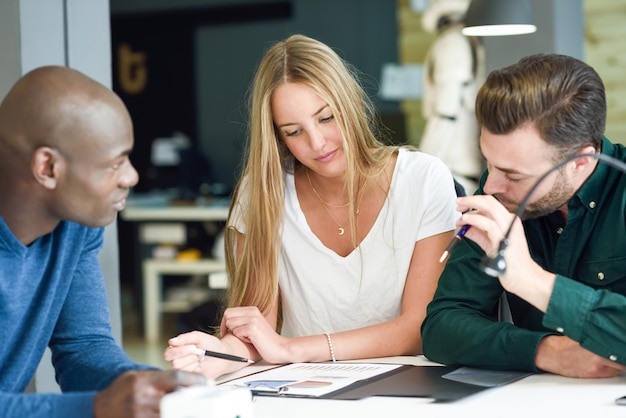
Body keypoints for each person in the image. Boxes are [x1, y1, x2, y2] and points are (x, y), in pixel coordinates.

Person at [164, 34, 458, 379]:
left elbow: (419, 328)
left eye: (326, 117)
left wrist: (291, 349)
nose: (317, 143)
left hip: (410, 384)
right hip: (305, 388)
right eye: (293, 131)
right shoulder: (262, 192)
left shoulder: (423, 179)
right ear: (277, 136)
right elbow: (256, 331)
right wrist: (217, 353)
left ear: (349, 104)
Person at [0, 66, 205, 418]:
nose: (132, 176)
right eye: (115, 163)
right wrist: (99, 406)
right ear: (47, 167)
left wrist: (150, 387)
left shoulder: (74, 226)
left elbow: (83, 347)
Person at [421, 53, 626, 378]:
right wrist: (543, 351)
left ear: (580, 163)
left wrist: (531, 281)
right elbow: (442, 326)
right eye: (487, 161)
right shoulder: (499, 200)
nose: (489, 186)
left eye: (513, 175)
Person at [419, 0, 485, 194]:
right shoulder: (466, 41)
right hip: (458, 168)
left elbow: (446, 112)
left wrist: (422, 164)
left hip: (451, 168)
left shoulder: (452, 43)